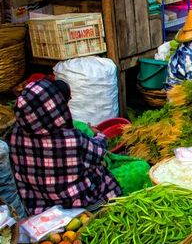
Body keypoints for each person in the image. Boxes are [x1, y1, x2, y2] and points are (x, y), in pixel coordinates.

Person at [9, 78, 121, 215]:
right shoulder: (70, 139)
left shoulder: (15, 133)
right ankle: (96, 209)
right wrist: (100, 136)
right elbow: (98, 152)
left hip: (38, 204)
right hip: (74, 203)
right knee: (128, 169)